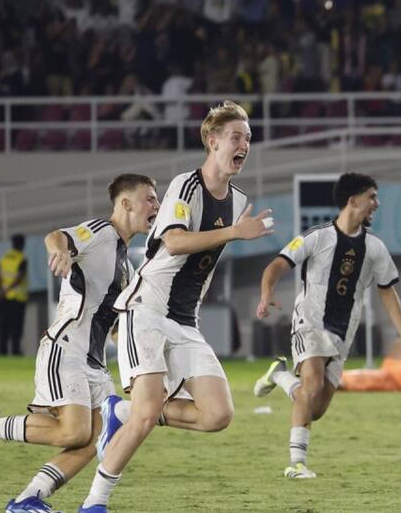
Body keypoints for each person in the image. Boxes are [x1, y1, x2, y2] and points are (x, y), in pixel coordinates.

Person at [79, 101, 274, 513]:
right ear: (212, 140)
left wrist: (234, 233)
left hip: (185, 320)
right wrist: (237, 234)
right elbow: (174, 241)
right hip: (147, 309)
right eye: (236, 136)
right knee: (147, 418)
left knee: (218, 414)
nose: (245, 144)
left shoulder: (239, 200)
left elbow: (206, 258)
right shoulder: (187, 184)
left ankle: (122, 409)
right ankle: (94, 503)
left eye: (249, 138)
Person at [0, 175, 160, 513]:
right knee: (73, 433)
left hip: (95, 363)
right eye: (150, 198)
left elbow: (109, 323)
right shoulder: (101, 231)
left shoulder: (126, 267)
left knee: (95, 441)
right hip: (66, 350)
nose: (156, 206)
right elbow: (56, 236)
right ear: (125, 204)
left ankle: (28, 499)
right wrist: (59, 251)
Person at [251, 172, 401, 479]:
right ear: (353, 200)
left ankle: (279, 375)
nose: (377, 203)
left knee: (315, 407)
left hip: (342, 333)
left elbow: (387, 290)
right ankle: (296, 464)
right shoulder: (316, 237)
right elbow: (277, 265)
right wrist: (267, 293)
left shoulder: (375, 248)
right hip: (309, 322)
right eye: (372, 196)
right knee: (312, 385)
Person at [0, 234, 30, 355]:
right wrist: (9, 289)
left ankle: (2, 352)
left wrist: (2, 291)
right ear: (22, 244)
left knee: (4, 326)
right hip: (18, 298)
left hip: (5, 297)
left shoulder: (4, 258)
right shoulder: (22, 259)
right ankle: (15, 352)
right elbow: (19, 278)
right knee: (16, 328)